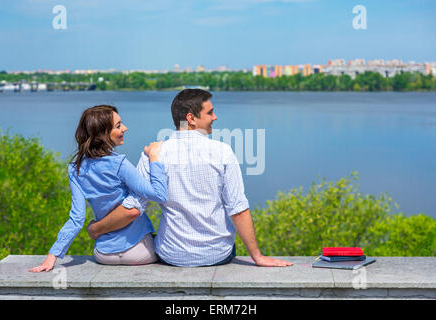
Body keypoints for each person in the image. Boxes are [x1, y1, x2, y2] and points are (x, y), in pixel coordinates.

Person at [88, 90, 293, 267]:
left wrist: (95, 229)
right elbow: (237, 208)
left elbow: (132, 210)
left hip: (171, 255)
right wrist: (257, 256)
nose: (215, 117)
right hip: (218, 254)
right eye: (210, 112)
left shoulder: (153, 154)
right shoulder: (223, 151)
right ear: (191, 118)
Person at [29, 105, 168, 272]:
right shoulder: (119, 164)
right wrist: (153, 158)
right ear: (102, 134)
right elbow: (159, 195)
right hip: (140, 252)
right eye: (118, 126)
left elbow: (76, 219)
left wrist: (52, 256)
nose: (125, 128)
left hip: (103, 255)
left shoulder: (75, 169)